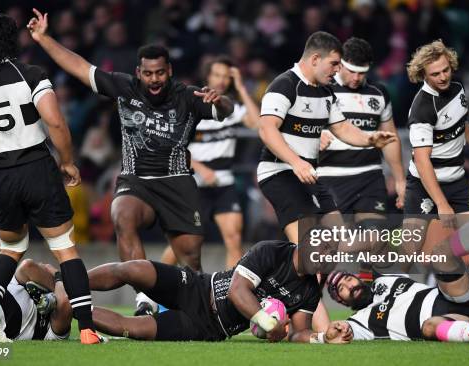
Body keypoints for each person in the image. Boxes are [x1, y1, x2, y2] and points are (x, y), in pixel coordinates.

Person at [27, 9, 234, 316]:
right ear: (139, 72)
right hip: (136, 181)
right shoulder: (124, 88)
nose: (154, 80)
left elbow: (225, 111)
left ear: (169, 71)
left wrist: (221, 100)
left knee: (191, 262)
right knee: (121, 215)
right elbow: (80, 66)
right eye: (148, 73)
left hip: (177, 182)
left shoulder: (188, 96)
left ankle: (197, 314)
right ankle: (146, 299)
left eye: (160, 73)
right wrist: (44, 39)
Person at [0, 14, 101, 344]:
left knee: (10, 248)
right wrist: (68, 162)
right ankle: (88, 329)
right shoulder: (30, 74)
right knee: (65, 250)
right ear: (13, 40)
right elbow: (56, 123)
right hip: (36, 168)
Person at [257, 31, 395, 330]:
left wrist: (371, 139)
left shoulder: (325, 92)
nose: (337, 70)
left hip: (310, 177)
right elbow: (267, 130)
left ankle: (285, 299)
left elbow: (344, 129)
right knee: (312, 256)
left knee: (343, 243)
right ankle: (308, 327)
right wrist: (295, 162)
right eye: (334, 64)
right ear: (315, 59)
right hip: (280, 173)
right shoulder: (283, 85)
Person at [400, 40, 469, 320]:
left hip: (456, 181)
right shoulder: (421, 108)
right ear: (423, 75)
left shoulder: (457, 90)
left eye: (446, 70)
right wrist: (442, 204)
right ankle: (381, 307)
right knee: (409, 254)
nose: (443, 77)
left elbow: (462, 124)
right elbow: (422, 162)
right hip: (424, 186)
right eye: (436, 74)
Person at [325, 196, 469, 343]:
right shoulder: (359, 322)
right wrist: (330, 334)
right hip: (452, 319)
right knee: (429, 327)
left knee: (440, 254)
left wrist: (340, 247)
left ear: (357, 277)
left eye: (347, 280)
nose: (349, 286)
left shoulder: (385, 278)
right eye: (341, 288)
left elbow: (377, 240)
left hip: (454, 295)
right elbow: (334, 333)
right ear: (342, 301)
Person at [87, 240, 348, 344]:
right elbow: (237, 290)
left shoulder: (310, 291)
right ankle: (71, 282)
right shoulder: (272, 251)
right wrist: (270, 323)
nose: (324, 257)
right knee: (133, 269)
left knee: (131, 327)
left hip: (206, 328)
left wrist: (324, 337)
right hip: (196, 287)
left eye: (331, 255)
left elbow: (299, 331)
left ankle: (74, 307)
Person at [318, 37, 405, 276]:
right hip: (330, 179)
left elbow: (390, 138)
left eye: (362, 73)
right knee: (324, 258)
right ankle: (309, 308)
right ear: (340, 64)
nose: (356, 78)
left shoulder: (379, 94)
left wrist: (400, 179)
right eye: (352, 71)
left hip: (369, 177)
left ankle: (366, 308)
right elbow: (296, 127)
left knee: (375, 243)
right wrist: (317, 136)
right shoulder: (321, 90)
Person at [162, 56, 259, 269]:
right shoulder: (191, 106)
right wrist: (200, 168)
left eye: (226, 77)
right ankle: (151, 293)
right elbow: (173, 146)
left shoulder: (231, 109)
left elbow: (259, 125)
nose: (222, 81)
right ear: (207, 76)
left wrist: (242, 88)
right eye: (217, 75)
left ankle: (229, 296)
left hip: (224, 184)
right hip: (194, 184)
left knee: (234, 240)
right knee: (183, 243)